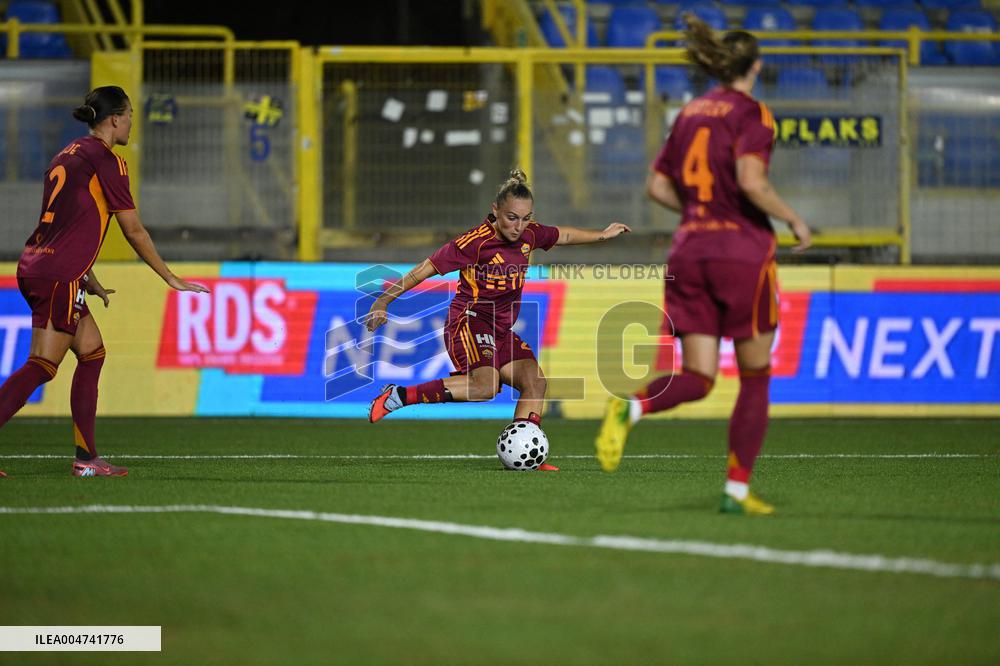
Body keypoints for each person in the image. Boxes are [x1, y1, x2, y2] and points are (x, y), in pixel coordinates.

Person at [594, 16, 811, 514]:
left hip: (689, 250)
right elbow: (752, 182)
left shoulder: (690, 111)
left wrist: (700, 212)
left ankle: (632, 405)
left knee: (698, 376)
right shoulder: (754, 113)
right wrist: (794, 219)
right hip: (741, 253)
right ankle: (736, 492)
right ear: (756, 66)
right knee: (754, 376)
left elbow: (655, 186)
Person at [0, 86, 208, 479]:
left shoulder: (68, 154)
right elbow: (134, 231)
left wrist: (87, 275)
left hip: (41, 266)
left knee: (92, 352)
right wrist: (170, 277)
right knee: (43, 365)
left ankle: (86, 458)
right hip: (58, 274)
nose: (131, 122)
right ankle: (85, 458)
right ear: (115, 118)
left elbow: (67, 223)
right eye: (129, 115)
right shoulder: (107, 161)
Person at [366, 169, 630, 471]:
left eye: (526, 218)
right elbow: (423, 270)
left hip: (501, 329)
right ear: (495, 210)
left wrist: (602, 234)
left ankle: (526, 450)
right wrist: (383, 301)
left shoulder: (530, 234)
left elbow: (564, 235)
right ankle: (399, 396)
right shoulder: (474, 243)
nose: (518, 226)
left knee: (535, 382)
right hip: (470, 321)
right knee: (484, 387)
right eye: (511, 217)